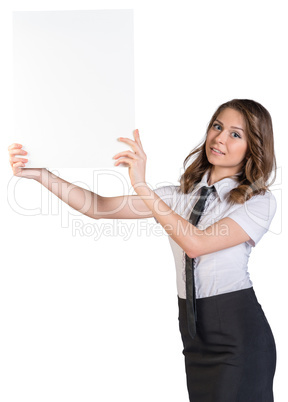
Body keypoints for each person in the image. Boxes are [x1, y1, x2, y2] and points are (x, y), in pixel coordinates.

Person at [8, 99, 277, 401]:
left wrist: (143, 186)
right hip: (194, 333)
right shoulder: (178, 197)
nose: (219, 139)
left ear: (253, 146)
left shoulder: (258, 202)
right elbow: (99, 207)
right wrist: (41, 173)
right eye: (217, 126)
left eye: (235, 134)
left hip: (238, 332)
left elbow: (196, 244)